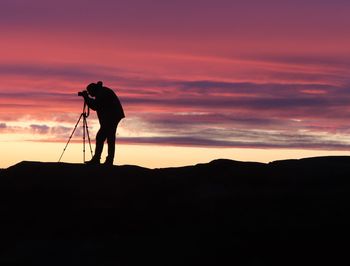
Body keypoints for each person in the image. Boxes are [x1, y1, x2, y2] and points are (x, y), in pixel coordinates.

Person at [81, 81, 125, 165]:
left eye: (90, 92)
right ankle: (106, 160)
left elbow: (95, 106)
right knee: (109, 138)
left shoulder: (101, 93)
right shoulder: (101, 91)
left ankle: (100, 159)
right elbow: (97, 105)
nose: (90, 94)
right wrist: (87, 98)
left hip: (112, 117)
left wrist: (86, 98)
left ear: (93, 90)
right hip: (113, 117)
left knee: (102, 137)